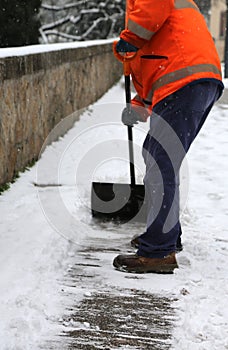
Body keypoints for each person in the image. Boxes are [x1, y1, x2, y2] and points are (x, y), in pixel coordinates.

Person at [113, 0, 224, 273]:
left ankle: (159, 252)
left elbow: (152, 14)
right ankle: (165, 236)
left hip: (185, 80)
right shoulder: (165, 20)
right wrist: (140, 104)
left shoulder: (147, 7)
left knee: (161, 162)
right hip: (194, 79)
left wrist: (130, 38)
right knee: (159, 157)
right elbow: (160, 63)